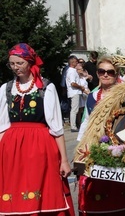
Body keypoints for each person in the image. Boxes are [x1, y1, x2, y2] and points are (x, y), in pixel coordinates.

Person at [0, 43, 74, 215]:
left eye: (19, 63)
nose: (15, 67)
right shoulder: (6, 89)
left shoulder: (45, 87)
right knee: (14, 193)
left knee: (39, 190)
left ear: (29, 62)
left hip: (40, 148)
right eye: (12, 64)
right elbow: (2, 127)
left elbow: (57, 127)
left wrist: (63, 160)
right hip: (12, 150)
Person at [76, 56, 125, 215]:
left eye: (110, 72)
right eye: (101, 71)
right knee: (96, 194)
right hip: (96, 145)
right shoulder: (92, 95)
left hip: (119, 145)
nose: (105, 75)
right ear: (97, 73)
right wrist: (80, 148)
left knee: (120, 197)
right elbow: (86, 121)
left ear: (116, 74)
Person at [66, 55, 85, 132]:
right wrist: (81, 87)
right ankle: (73, 126)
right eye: (76, 61)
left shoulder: (72, 71)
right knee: (74, 109)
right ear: (72, 62)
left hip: (75, 92)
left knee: (76, 109)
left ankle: (76, 124)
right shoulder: (72, 71)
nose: (77, 63)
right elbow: (73, 83)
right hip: (74, 92)